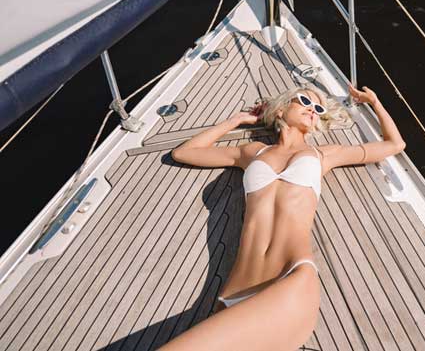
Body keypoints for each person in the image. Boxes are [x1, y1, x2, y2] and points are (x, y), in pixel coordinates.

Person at [159, 83, 405, 350]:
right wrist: (237, 120)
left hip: (292, 275)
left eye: (318, 108)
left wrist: (375, 103)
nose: (312, 110)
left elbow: (395, 144)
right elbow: (184, 153)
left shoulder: (323, 154)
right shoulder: (253, 152)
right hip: (235, 289)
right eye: (304, 101)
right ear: (280, 110)